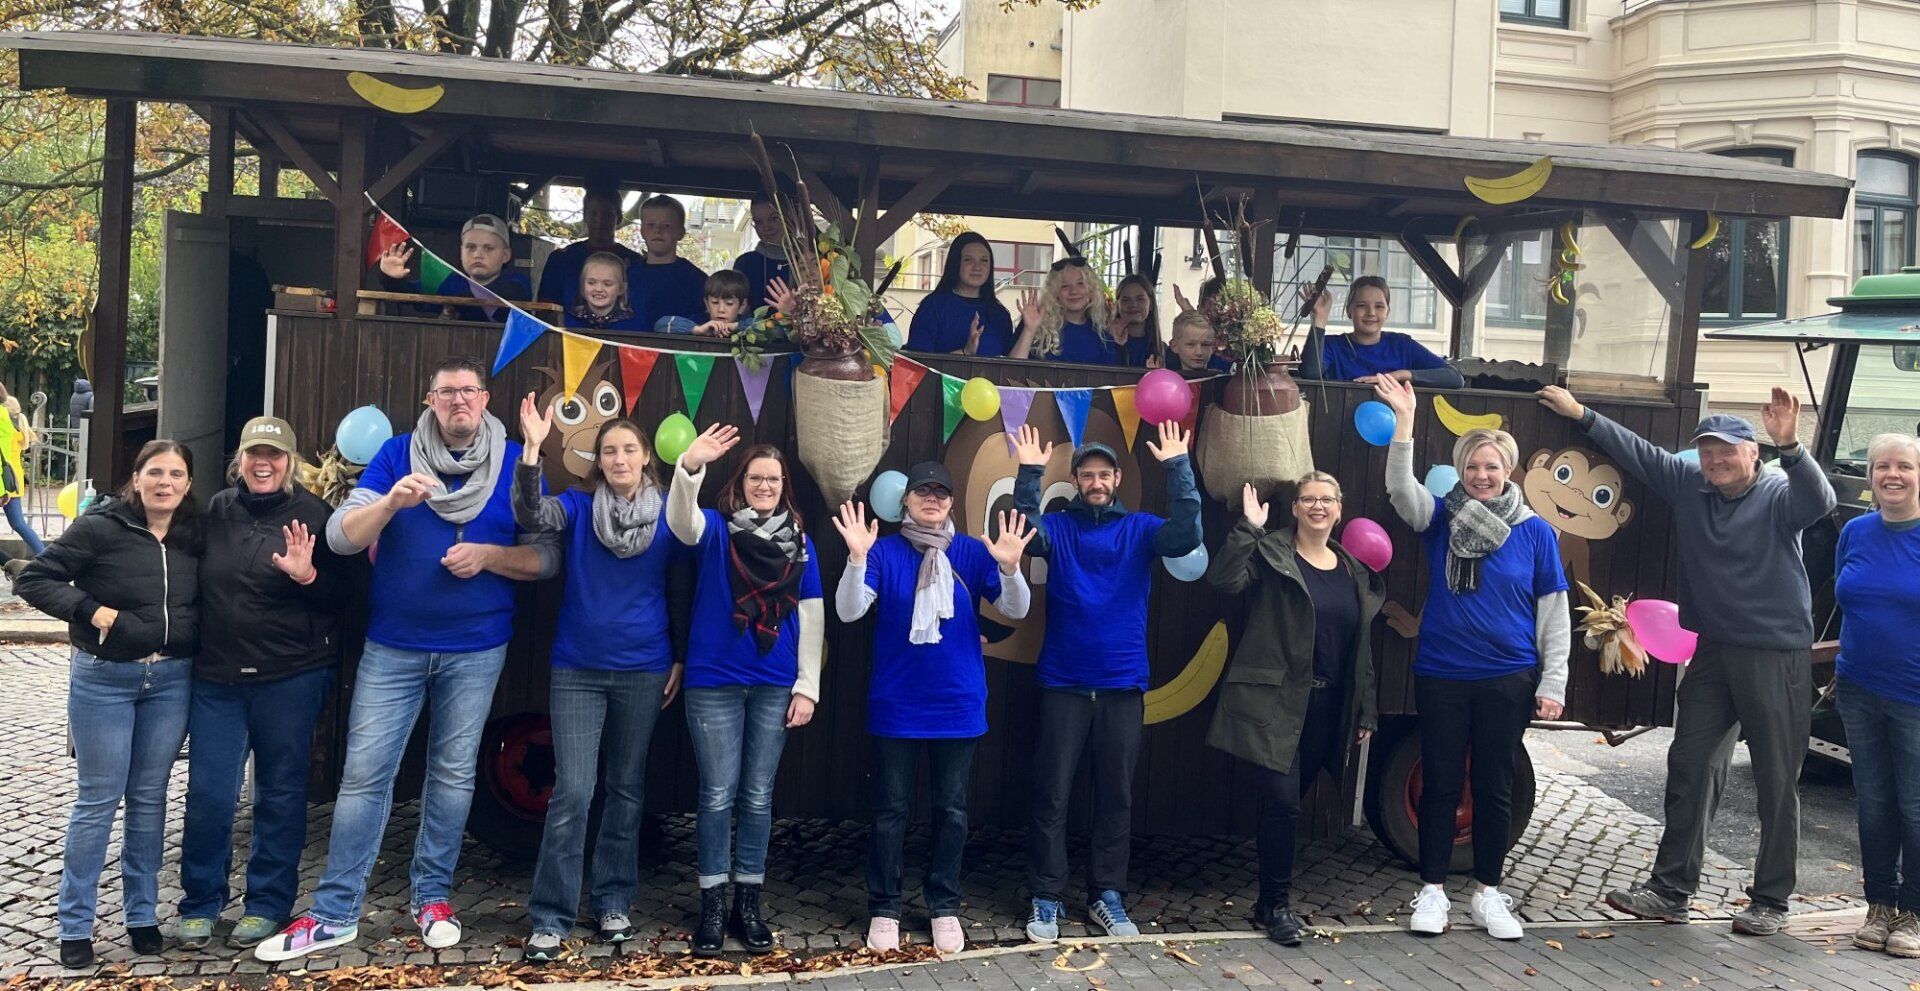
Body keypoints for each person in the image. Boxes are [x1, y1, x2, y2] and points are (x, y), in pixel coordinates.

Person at [257, 356, 551, 962]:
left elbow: (546, 559)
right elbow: (341, 536)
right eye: (446, 393)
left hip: (477, 648)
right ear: (429, 400)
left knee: (452, 775)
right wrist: (391, 503)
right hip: (393, 646)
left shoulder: (518, 460)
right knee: (365, 776)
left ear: (486, 399)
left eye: (468, 391)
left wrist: (491, 558)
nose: (458, 402)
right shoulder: (396, 454)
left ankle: (433, 897)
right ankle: (336, 912)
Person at [1536, 384, 1836, 936]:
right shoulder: (1692, 486)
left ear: (1754, 453)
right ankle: (1671, 891)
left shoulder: (1776, 494)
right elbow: (1640, 453)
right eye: (1707, 450)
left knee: (1775, 779)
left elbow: (1820, 502)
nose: (1716, 460)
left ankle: (1770, 900)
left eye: (1728, 449)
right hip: (1713, 652)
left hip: (1775, 653)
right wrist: (1582, 415)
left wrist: (1792, 445)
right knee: (1691, 764)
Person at [1375, 376, 1567, 941]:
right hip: (1442, 674)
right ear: (1461, 470)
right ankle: (1432, 892)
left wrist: (1551, 682)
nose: (1482, 476)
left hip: (1507, 678)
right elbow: (1399, 492)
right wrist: (1405, 425)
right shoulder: (1439, 518)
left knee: (1494, 786)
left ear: (1507, 470)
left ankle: (1488, 893)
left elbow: (1553, 613)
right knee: (1438, 782)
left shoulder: (1535, 532)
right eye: (1473, 466)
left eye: (1492, 466)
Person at [830, 463, 1034, 954]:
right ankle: (885, 905)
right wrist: (856, 558)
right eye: (923, 491)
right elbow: (848, 610)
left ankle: (944, 904)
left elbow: (1017, 609)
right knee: (890, 812)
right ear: (906, 500)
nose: (933, 499)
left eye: (940, 492)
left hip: (957, 704)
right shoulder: (884, 551)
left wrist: (1009, 568)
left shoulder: (969, 551)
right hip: (898, 704)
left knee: (952, 812)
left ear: (950, 502)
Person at [512, 397, 689, 961]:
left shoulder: (670, 513)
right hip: (578, 669)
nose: (619, 458)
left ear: (645, 459)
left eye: (628, 449)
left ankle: (613, 901)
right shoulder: (577, 504)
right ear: (599, 459)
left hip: (645, 666)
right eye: (609, 450)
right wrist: (534, 450)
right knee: (572, 792)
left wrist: (680, 656)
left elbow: (682, 587)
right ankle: (550, 914)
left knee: (627, 790)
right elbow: (530, 516)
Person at [1011, 419, 1201, 942]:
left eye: (1104, 474)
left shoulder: (1140, 528)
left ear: (1117, 480)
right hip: (1063, 684)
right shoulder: (1062, 529)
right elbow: (1024, 533)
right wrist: (1029, 472)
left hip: (1122, 685)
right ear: (1075, 481)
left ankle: (1106, 895)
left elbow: (1187, 535)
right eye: (1086, 475)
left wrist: (1180, 469)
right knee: (1052, 795)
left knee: (1115, 795)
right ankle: (1047, 897)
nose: (1095, 482)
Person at [15, 440, 201, 969]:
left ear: (188, 485)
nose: (166, 482)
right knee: (98, 802)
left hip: (171, 680)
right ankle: (75, 925)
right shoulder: (101, 526)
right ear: (136, 478)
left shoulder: (195, 535)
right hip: (104, 680)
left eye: (177, 474)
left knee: (149, 799)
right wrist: (92, 610)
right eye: (156, 472)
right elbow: (34, 577)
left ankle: (142, 916)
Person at [176, 417, 349, 952]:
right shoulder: (215, 512)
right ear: (240, 460)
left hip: (289, 679)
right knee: (208, 794)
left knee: (280, 793)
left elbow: (343, 602)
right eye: (255, 453)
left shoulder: (316, 517)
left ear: (291, 463)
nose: (263, 463)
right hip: (218, 678)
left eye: (274, 455)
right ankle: (201, 902)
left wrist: (307, 576)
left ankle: (267, 903)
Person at [1206, 475, 1385, 946]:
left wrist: (1366, 710)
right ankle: (1277, 906)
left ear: (1340, 509)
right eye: (1309, 499)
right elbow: (1224, 579)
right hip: (1276, 704)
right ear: (1296, 508)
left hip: (1328, 707)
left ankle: (1269, 900)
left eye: (1327, 499)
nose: (1317, 506)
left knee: (1284, 806)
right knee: (1284, 804)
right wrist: (1249, 528)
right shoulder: (1272, 554)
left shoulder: (1351, 569)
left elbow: (1360, 646)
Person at [666, 424, 824, 957]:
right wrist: (689, 468)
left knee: (758, 796)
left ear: (783, 486)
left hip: (776, 684)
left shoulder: (800, 542)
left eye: (773, 479)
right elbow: (679, 523)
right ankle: (712, 906)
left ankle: (748, 905)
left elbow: (812, 613)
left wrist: (809, 686)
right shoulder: (714, 528)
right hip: (713, 681)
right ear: (741, 483)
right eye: (756, 477)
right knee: (715, 794)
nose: (765, 486)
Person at [1834, 433, 1920, 957]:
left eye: (1904, 466)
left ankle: (1913, 912)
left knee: (1915, 805)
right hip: (1858, 688)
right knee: (1874, 804)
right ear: (1870, 476)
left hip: (1915, 696)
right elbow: (1846, 595)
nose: (1892, 475)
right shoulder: (1857, 532)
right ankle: (1879, 907)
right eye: (1882, 466)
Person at [1298, 277, 1464, 388]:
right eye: (1362, 305)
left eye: (1379, 306)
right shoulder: (1332, 346)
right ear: (1349, 311)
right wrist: (1320, 316)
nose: (1371, 313)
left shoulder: (1402, 345)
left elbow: (1454, 378)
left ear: (1387, 312)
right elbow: (1310, 373)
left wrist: (1398, 376)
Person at [376, 214, 532, 323]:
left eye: (489, 248)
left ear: (505, 255)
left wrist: (453, 305)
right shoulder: (450, 282)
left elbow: (504, 295)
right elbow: (415, 293)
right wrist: (391, 279)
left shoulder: (517, 283)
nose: (478, 254)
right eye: (470, 247)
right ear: (461, 252)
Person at [537, 182, 645, 310]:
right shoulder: (561, 259)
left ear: (619, 217)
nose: (599, 221)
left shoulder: (634, 262)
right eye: (593, 213)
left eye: (607, 215)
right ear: (584, 216)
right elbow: (545, 308)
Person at [905, 233, 1015, 357]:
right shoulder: (933, 307)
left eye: (984, 260)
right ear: (955, 263)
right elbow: (916, 364)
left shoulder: (1000, 315)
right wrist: (965, 352)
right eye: (968, 260)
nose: (977, 267)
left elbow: (1010, 366)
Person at [1010, 259, 1119, 365]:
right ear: (1054, 292)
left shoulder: (1102, 333)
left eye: (1080, 283)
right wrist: (1029, 331)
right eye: (1064, 286)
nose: (1074, 291)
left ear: (1091, 289)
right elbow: (1012, 371)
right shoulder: (1036, 325)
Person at [632, 195, 709, 332]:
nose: (658, 230)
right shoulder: (626, 277)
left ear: (681, 232)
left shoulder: (697, 280)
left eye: (666, 225)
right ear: (642, 231)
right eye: (651, 225)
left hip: (678, 350)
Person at [0, 385, 47, 555]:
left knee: (18, 523)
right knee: (18, 523)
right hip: (13, 479)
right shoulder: (19, 429)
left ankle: (8, 564)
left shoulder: (6, 429)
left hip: (4, 479)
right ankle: (43, 555)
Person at [732, 198, 793, 313]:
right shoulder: (745, 264)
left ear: (789, 217)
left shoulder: (807, 261)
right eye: (759, 222)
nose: (767, 227)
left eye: (773, 219)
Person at [563, 251, 645, 331]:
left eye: (607, 284)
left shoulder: (633, 327)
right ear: (582, 286)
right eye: (591, 283)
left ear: (621, 288)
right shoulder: (566, 322)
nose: (599, 289)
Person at [1155, 310, 1233, 373]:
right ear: (1174, 346)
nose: (1199, 352)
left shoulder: (1223, 382)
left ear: (1215, 346)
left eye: (1205, 345)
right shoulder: (1167, 383)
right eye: (1190, 344)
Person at [1108, 274, 1160, 368]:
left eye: (1140, 299)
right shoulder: (1105, 342)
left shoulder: (1162, 349)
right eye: (1126, 300)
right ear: (1117, 305)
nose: (1133, 304)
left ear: (1151, 304)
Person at [689, 270, 753, 337]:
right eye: (715, 302)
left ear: (742, 306)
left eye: (729, 303)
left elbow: (761, 325)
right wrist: (697, 329)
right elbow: (676, 322)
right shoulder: (699, 321)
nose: (721, 309)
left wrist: (737, 326)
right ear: (707, 304)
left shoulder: (748, 323)